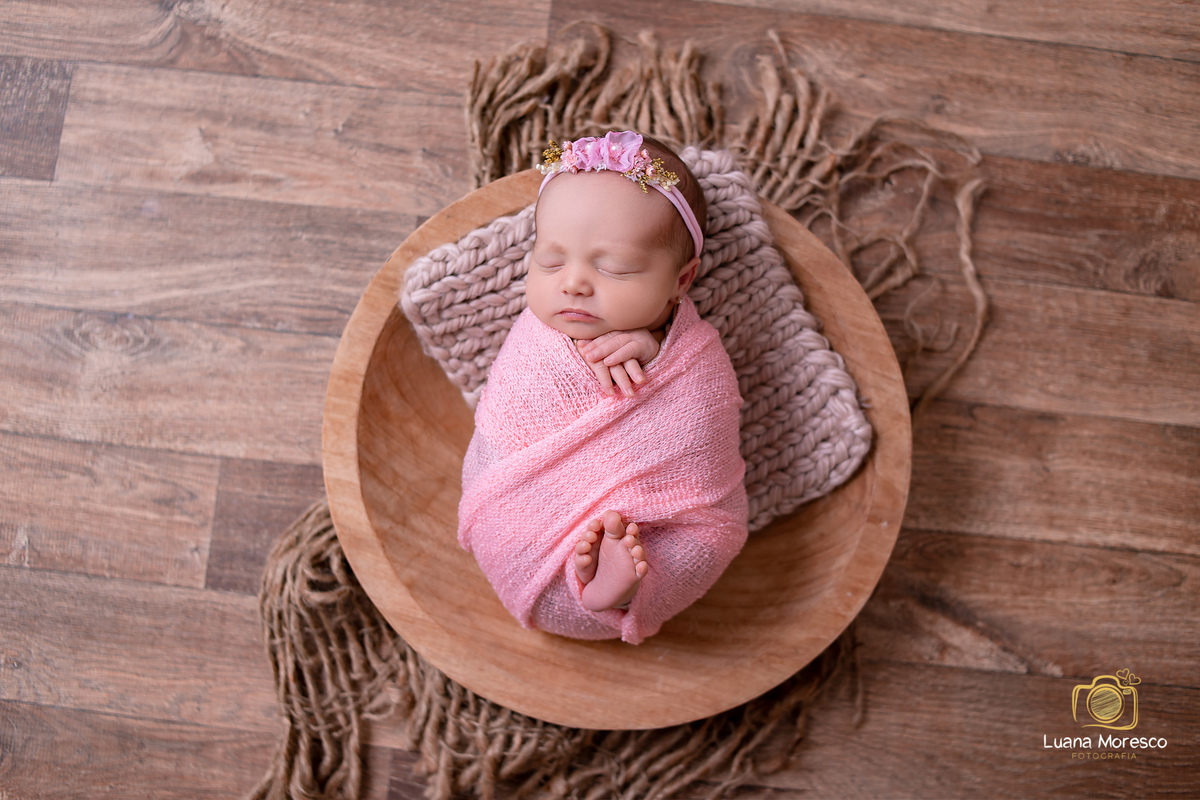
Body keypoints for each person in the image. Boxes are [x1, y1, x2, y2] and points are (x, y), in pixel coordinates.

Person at [457, 130, 748, 644]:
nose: (572, 283)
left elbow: (703, 413)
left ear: (682, 281)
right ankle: (594, 578)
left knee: (699, 539)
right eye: (549, 261)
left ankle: (624, 590)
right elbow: (512, 401)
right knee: (495, 460)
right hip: (513, 516)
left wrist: (662, 352)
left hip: (649, 528)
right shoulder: (541, 335)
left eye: (614, 268)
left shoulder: (693, 357)